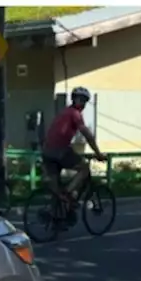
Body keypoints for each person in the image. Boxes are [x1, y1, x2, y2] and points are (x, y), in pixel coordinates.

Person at [41, 87, 107, 219]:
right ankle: (69, 194)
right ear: (74, 100)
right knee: (84, 168)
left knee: (56, 189)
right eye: (80, 100)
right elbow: (87, 134)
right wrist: (98, 153)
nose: (82, 103)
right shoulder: (75, 114)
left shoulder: (64, 112)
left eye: (84, 101)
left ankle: (57, 216)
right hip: (59, 150)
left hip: (47, 151)